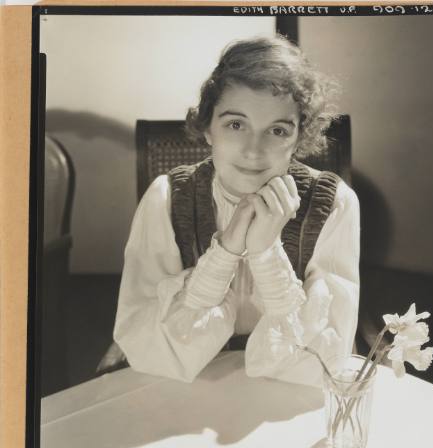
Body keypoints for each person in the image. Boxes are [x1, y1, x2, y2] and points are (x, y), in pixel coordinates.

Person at [106, 35, 360, 386]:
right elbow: (151, 347)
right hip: (185, 381)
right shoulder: (165, 197)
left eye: (277, 130)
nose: (253, 151)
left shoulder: (335, 203)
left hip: (285, 387)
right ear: (208, 128)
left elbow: (320, 361)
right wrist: (224, 253)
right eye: (235, 124)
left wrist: (266, 251)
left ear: (300, 138)